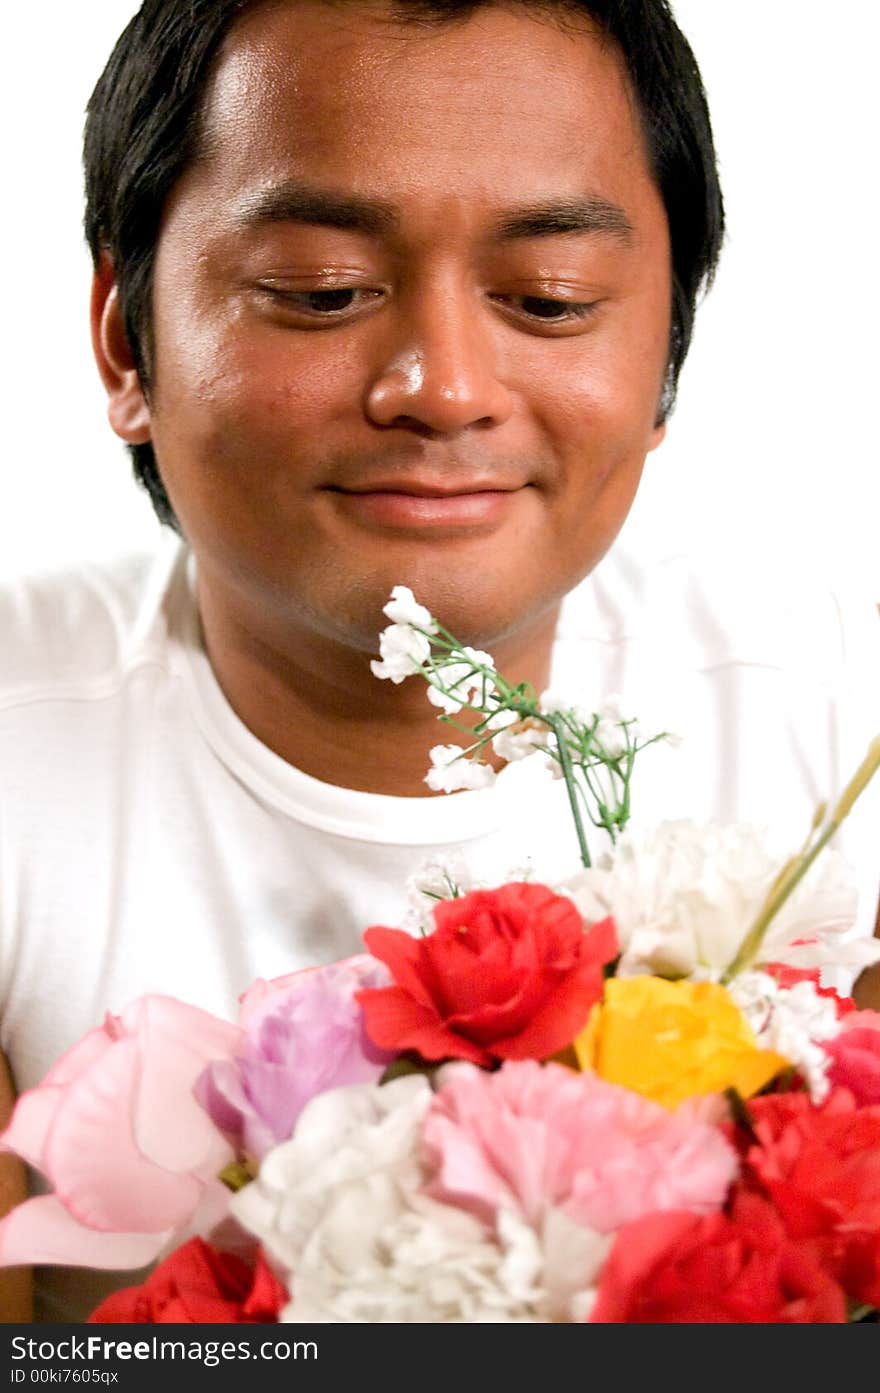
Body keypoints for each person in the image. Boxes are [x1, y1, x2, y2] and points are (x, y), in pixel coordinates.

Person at [0, 0, 877, 1322]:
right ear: (128, 340)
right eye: (322, 292)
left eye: (548, 299)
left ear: (666, 364)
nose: (443, 385)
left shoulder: (835, 713)